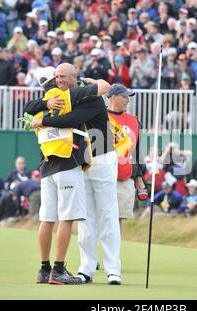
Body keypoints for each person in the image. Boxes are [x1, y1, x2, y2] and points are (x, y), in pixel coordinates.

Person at [24, 63, 112, 285]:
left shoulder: (43, 101)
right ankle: (58, 270)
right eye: (56, 76)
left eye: (61, 76)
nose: (58, 79)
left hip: (46, 165)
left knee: (47, 219)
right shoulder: (71, 94)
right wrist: (91, 82)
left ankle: (44, 269)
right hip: (67, 163)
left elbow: (28, 107)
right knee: (66, 218)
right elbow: (104, 86)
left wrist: (42, 114)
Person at [106, 84, 147, 226]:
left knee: (118, 220)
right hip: (102, 175)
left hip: (125, 176)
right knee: (100, 219)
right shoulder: (99, 118)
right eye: (124, 97)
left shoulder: (134, 121)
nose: (127, 100)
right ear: (113, 97)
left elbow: (137, 152)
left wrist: (139, 176)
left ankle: (114, 249)